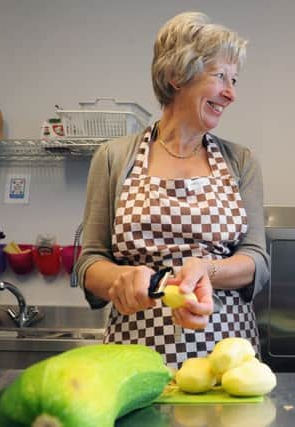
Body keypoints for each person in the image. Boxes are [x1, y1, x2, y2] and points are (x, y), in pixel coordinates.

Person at [74, 11, 269, 368]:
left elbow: (257, 260)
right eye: (220, 76)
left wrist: (207, 269)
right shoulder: (114, 157)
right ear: (177, 75)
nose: (231, 93)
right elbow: (89, 262)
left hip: (225, 356)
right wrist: (120, 277)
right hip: (133, 358)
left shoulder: (241, 161)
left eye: (234, 79)